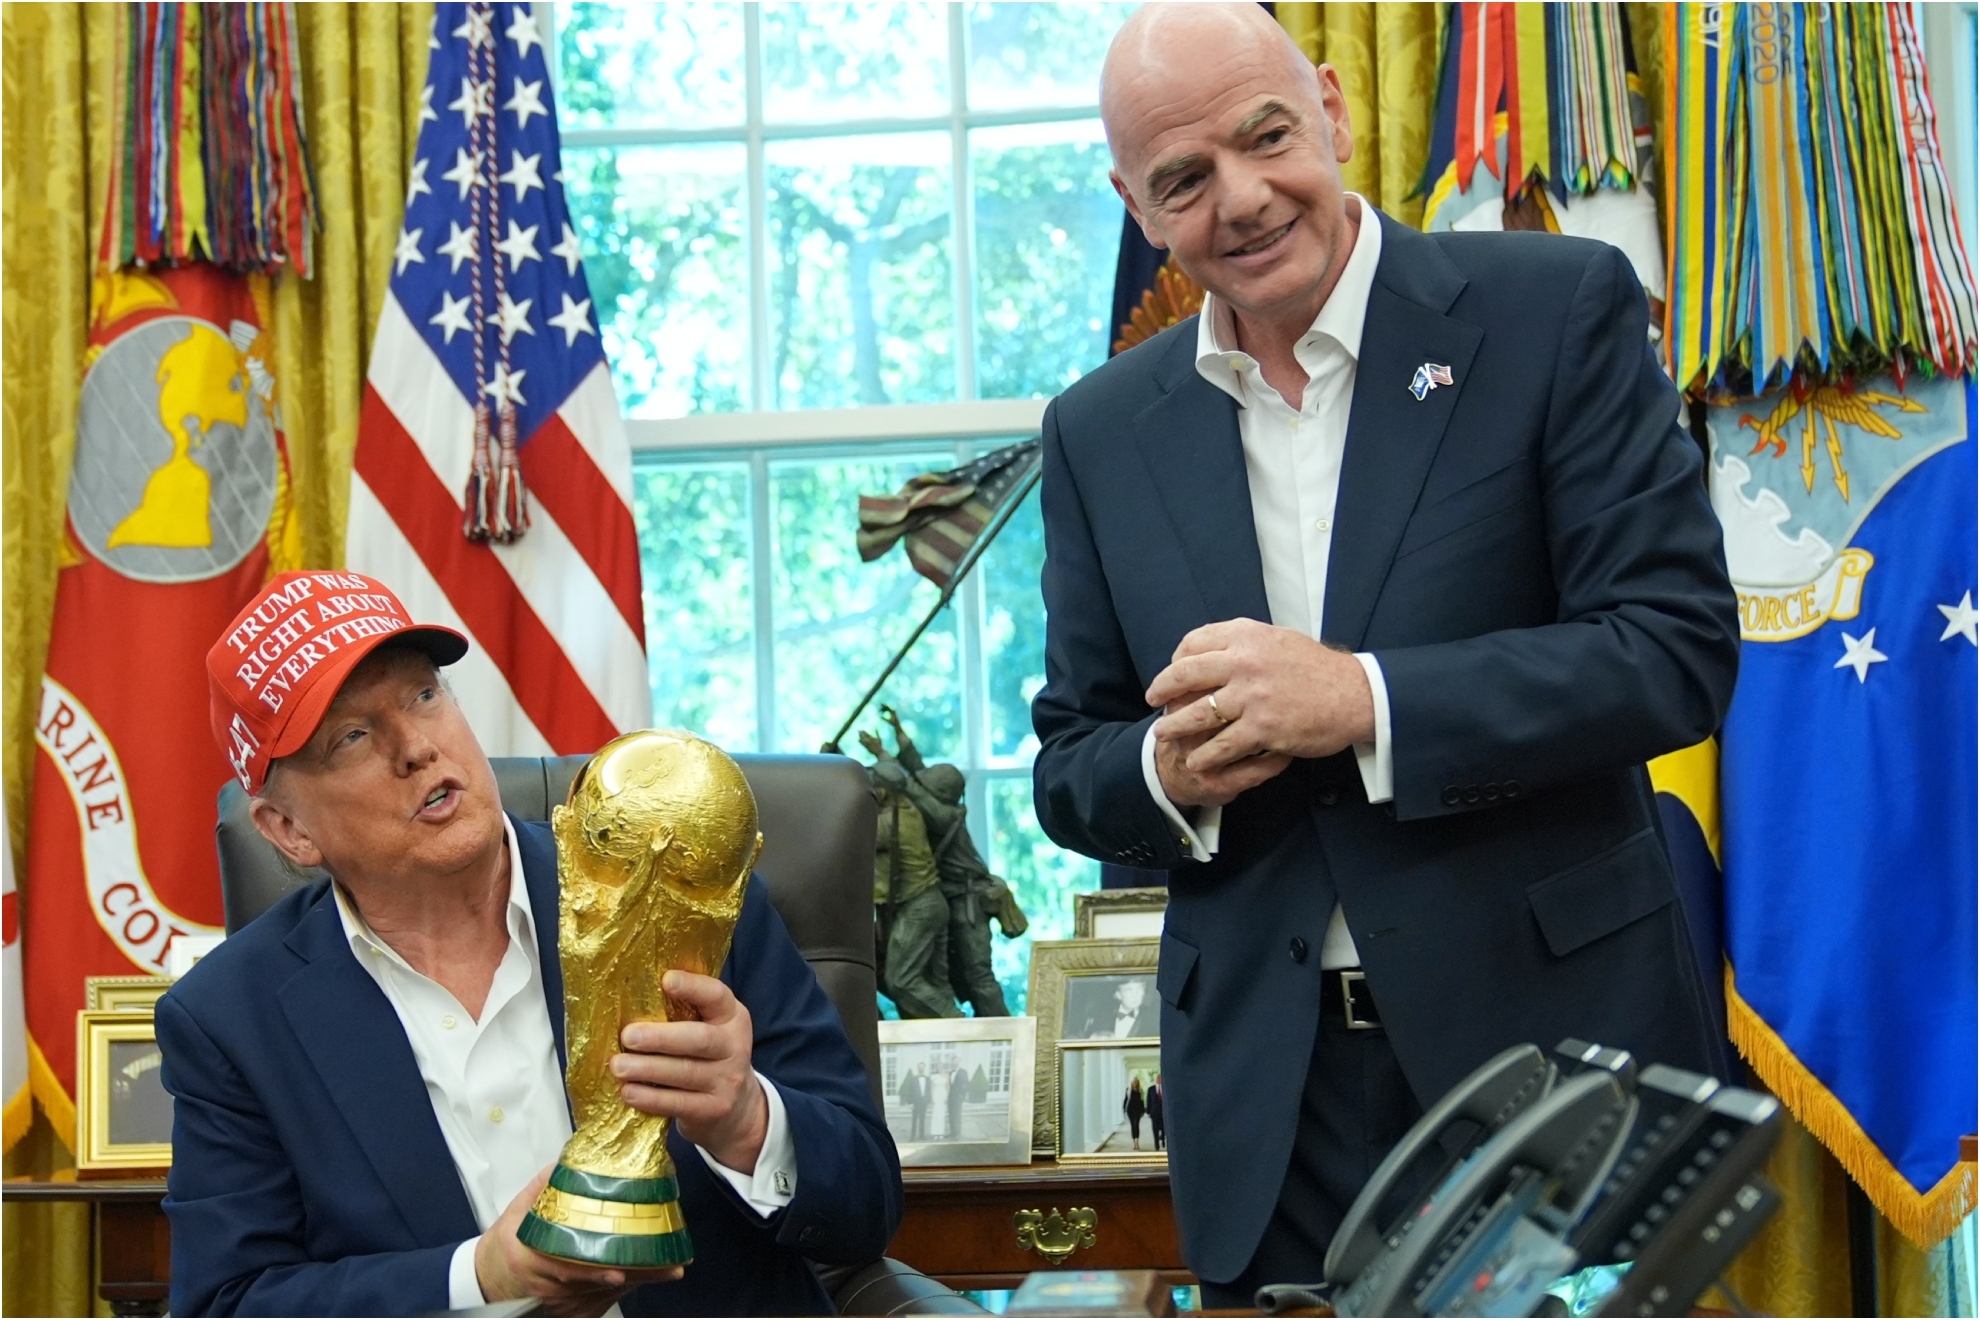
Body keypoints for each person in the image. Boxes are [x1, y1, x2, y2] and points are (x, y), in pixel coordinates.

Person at [1030, 5, 1737, 1302]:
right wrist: (1167, 770)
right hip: (1269, 1100)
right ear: (1137, 205)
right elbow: (1073, 761)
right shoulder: (1098, 429)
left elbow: (1672, 651)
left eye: (1267, 138)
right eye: (1185, 179)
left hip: (1548, 1055)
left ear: (1336, 110)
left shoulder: (1554, 308)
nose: (1243, 199)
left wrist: (1360, 701)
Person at [160, 572, 902, 1316]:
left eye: (424, 696)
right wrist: (480, 1277)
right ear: (289, 830)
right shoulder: (230, 1019)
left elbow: (868, 1204)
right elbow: (228, 1301)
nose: (417, 747)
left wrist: (746, 1121)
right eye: (352, 737)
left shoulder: (681, 896)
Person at [863, 710, 1028, 1018]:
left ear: (939, 795)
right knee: (940, 977)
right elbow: (913, 772)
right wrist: (895, 736)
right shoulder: (931, 805)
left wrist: (881, 757)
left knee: (977, 976)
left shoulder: (943, 815)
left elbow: (906, 784)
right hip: (946, 897)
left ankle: (1002, 1033)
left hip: (969, 900)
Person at [869, 771, 958, 1019]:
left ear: (884, 791)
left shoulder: (889, 823)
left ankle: (958, 1023)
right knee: (933, 982)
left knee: (901, 980)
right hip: (927, 904)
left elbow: (848, 830)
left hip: (918, 908)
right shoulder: (907, 809)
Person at [1071, 976, 1159, 1040]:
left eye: (1139, 988)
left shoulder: (1153, 1018)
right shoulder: (1100, 1016)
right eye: (1129, 990)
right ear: (1118, 994)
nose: (1135, 995)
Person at [900, 1062, 930, 1142]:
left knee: (922, 1119)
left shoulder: (927, 1079)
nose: (921, 1068)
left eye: (922, 1067)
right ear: (918, 1068)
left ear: (924, 1068)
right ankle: (912, 1136)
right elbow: (910, 1092)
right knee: (914, 1120)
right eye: (920, 1067)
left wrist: (928, 1102)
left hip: (923, 1102)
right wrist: (911, 1103)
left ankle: (922, 1135)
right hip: (916, 1102)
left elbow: (928, 1091)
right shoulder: (914, 1079)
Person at [1124, 1076, 1147, 1152]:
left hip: (1137, 1110)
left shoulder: (1140, 1090)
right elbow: (1126, 1099)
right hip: (1130, 1110)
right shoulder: (1128, 1090)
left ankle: (1137, 1142)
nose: (1134, 1083)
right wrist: (1124, 1108)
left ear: (1138, 1083)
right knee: (1132, 1126)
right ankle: (1134, 1143)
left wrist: (1143, 1110)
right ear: (1131, 1083)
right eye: (1133, 1082)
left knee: (1136, 1125)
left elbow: (1142, 1101)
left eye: (1136, 1082)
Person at [1148, 1075, 1166, 1152]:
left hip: (1164, 1112)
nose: (1159, 1079)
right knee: (1155, 1129)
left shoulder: (1165, 1088)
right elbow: (1148, 1101)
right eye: (1158, 1078)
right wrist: (1148, 1111)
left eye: (1160, 1078)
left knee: (1164, 1128)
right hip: (1154, 1113)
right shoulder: (1151, 1089)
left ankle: (1163, 1138)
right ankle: (1156, 1144)